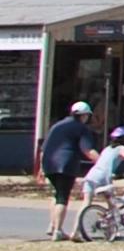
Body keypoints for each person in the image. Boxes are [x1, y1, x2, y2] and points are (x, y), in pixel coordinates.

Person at [39, 99, 98, 238]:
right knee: (62, 197)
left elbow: (43, 149)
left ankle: (53, 226)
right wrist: (102, 162)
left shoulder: (57, 126)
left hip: (49, 164)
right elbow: (87, 150)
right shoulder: (81, 128)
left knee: (57, 194)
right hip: (65, 165)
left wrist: (41, 168)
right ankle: (58, 231)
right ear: (84, 116)